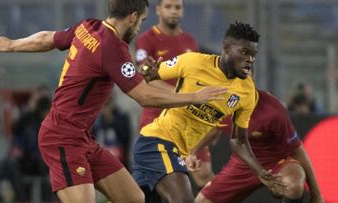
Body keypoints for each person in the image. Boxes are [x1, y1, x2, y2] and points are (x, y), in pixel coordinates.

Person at [0, 0, 227, 202]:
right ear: (133, 17)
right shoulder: (112, 47)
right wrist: (193, 97)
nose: (140, 26)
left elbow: (48, 38)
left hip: (83, 138)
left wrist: (12, 44)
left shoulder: (88, 27)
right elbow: (143, 96)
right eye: (142, 21)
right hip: (62, 137)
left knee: (134, 198)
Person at [133, 21, 283, 203]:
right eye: (244, 53)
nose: (250, 59)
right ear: (226, 49)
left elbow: (238, 140)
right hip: (157, 141)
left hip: (178, 152)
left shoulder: (246, 92)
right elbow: (149, 74)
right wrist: (147, 68)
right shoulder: (193, 62)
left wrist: (260, 172)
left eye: (253, 55)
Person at [190, 89, 324, 203]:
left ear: (252, 80)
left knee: (293, 186)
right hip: (242, 164)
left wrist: (316, 194)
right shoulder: (220, 104)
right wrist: (192, 152)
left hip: (277, 162)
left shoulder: (272, 110)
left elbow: (297, 150)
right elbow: (214, 130)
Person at [135, 0, 213, 187]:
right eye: (168, 7)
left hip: (189, 118)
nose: (173, 11)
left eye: (177, 7)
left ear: (183, 11)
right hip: (158, 118)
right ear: (158, 10)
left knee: (204, 175)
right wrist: (179, 96)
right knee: (164, 181)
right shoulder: (147, 39)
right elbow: (145, 74)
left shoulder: (190, 41)